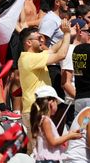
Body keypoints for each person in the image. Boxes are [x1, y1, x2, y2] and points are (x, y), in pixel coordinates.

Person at [18, 21, 71, 152]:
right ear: (28, 43)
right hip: (34, 109)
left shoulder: (33, 56)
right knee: (36, 150)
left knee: (42, 149)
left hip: (39, 108)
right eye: (39, 38)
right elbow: (61, 55)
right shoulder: (29, 58)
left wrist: (68, 34)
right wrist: (68, 34)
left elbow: (53, 49)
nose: (42, 41)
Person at [30, 85, 81, 162]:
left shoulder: (43, 119)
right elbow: (53, 142)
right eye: (57, 102)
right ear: (51, 102)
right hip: (48, 160)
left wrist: (69, 134)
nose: (57, 105)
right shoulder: (46, 120)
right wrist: (69, 136)